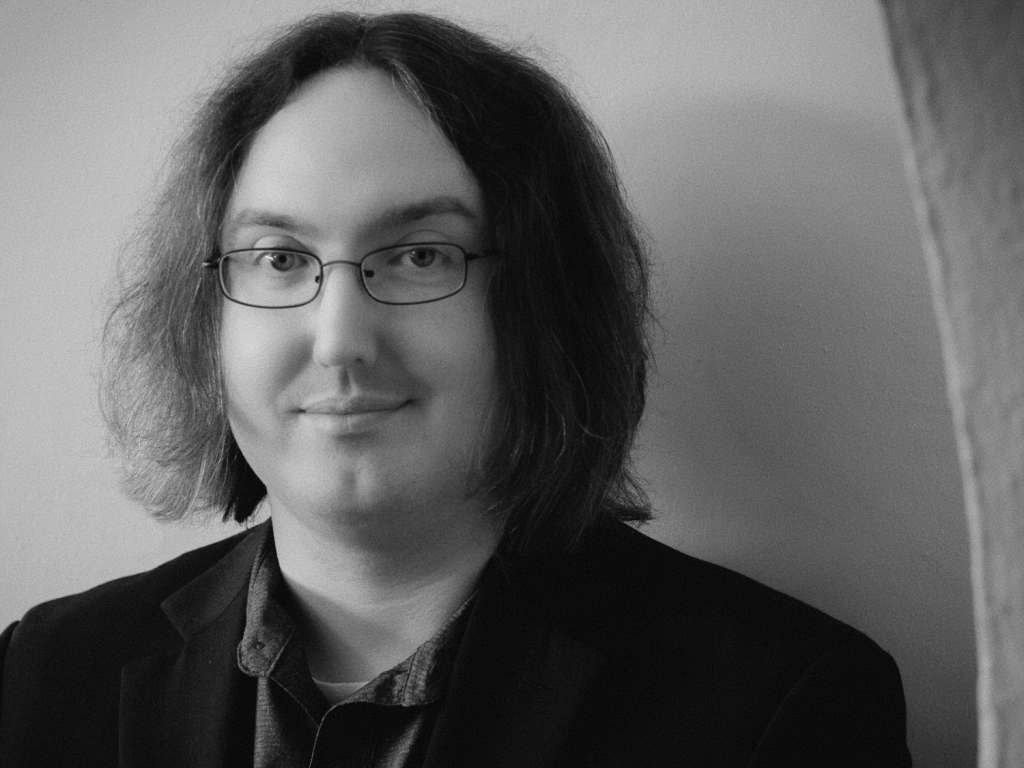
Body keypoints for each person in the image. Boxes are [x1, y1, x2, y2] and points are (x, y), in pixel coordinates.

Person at [0, 11, 911, 767]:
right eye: (280, 257)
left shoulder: (783, 707)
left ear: (543, 306)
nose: (341, 340)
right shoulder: (43, 672)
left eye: (419, 254)